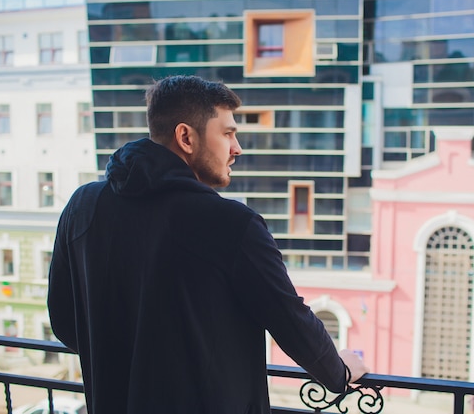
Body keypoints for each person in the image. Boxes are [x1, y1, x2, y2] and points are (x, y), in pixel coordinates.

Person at [47, 75, 368, 414]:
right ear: (186, 136)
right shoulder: (232, 224)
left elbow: (66, 323)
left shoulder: (83, 205)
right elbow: (290, 319)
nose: (237, 147)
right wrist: (339, 371)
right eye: (228, 133)